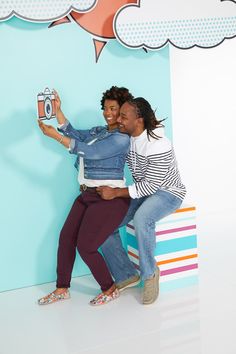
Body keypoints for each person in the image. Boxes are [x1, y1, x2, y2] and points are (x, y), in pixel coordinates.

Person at [37, 86, 134, 306]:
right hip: (88, 195)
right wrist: (59, 112)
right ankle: (62, 288)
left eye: (113, 108)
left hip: (110, 199)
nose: (108, 112)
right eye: (105, 108)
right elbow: (76, 135)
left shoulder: (121, 139)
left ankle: (109, 289)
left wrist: (55, 138)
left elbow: (92, 152)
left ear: (123, 111)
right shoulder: (100, 132)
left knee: (87, 246)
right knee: (66, 238)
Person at [98, 97, 186, 305]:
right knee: (103, 223)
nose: (118, 119)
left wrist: (116, 192)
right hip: (142, 192)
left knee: (142, 218)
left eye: (123, 116)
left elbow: (151, 186)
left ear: (138, 120)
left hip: (168, 192)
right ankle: (126, 274)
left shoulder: (159, 144)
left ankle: (149, 275)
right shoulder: (126, 138)